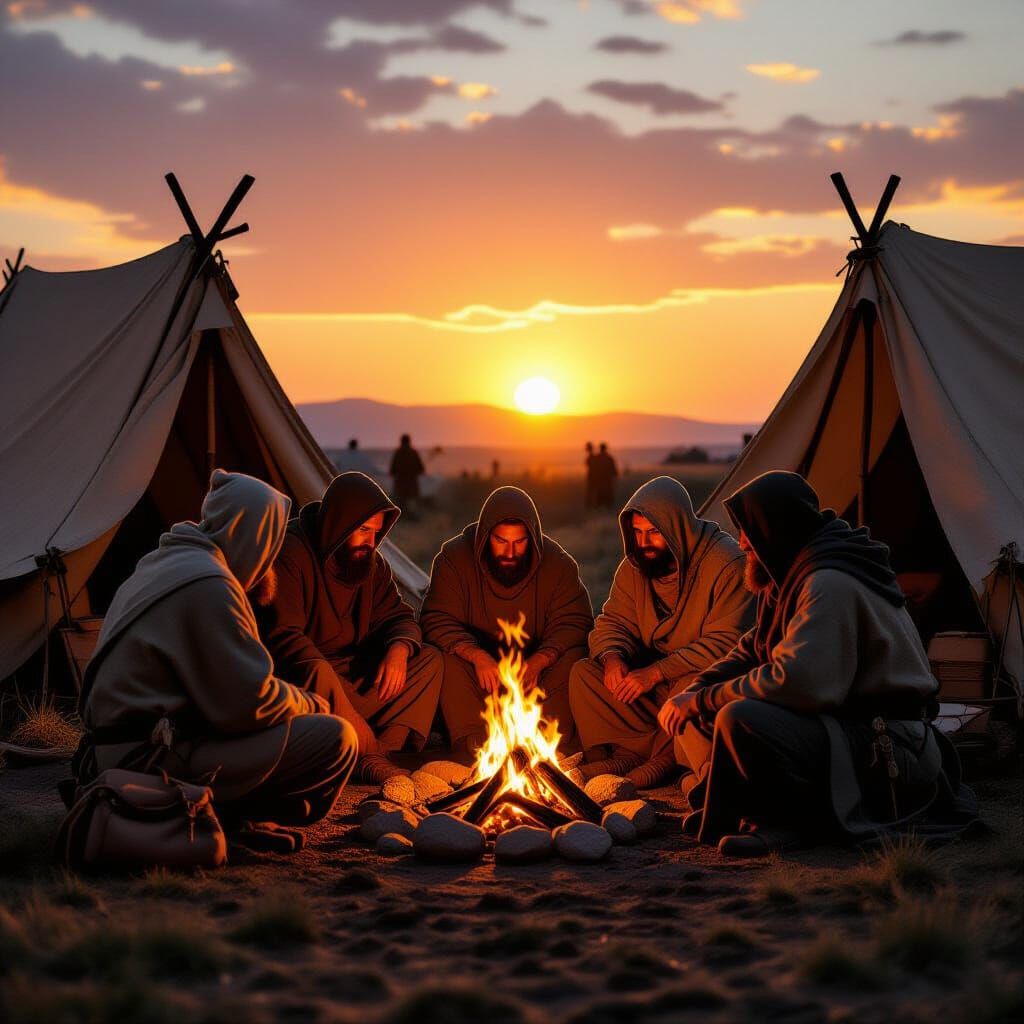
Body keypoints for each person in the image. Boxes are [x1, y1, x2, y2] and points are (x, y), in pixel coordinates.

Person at [658, 471, 978, 856]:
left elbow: (799, 681)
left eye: (748, 531)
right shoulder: (792, 574)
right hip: (851, 728)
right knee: (706, 705)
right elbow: (752, 649)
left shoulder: (828, 581)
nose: (742, 543)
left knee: (740, 717)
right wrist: (697, 691)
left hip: (888, 748)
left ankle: (783, 824)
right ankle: (741, 806)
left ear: (776, 527)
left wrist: (705, 699)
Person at [78, 470, 357, 852]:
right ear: (255, 535)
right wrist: (309, 703)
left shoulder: (164, 563)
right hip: (151, 757)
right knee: (336, 738)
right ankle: (217, 819)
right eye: (271, 542)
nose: (271, 559)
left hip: (124, 748)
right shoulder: (209, 584)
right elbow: (249, 704)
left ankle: (233, 820)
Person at [258, 472, 443, 784]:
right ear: (339, 524)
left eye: (376, 532)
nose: (370, 542)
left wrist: (398, 649)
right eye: (363, 530)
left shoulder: (369, 562)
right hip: (308, 682)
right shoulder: (291, 552)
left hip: (354, 677)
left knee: (429, 660)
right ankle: (366, 753)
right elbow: (285, 637)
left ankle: (381, 749)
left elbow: (398, 616)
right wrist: (336, 691)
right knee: (318, 670)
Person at [569, 476, 753, 788]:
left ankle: (665, 761)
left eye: (654, 533)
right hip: (652, 689)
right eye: (637, 533)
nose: (644, 542)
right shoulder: (636, 566)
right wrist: (612, 658)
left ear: (677, 528)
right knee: (584, 674)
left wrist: (656, 672)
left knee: (693, 685)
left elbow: (728, 643)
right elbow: (613, 620)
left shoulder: (726, 563)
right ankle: (628, 754)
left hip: (696, 676)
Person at [420, 486, 593, 760]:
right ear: (485, 536)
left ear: (532, 538)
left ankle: (546, 748)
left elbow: (576, 622)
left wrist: (542, 659)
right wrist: (475, 655)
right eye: (501, 541)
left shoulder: (558, 565)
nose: (510, 552)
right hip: (478, 678)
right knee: (445, 656)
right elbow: (435, 618)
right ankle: (474, 748)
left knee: (574, 656)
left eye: (520, 542)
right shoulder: (454, 559)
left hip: (537, 679)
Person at [389, 433, 425, 510]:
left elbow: (392, 470)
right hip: (412, 485)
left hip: (400, 485)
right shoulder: (413, 452)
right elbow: (421, 469)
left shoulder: (398, 453)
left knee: (401, 505)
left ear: (401, 442)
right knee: (412, 505)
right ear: (409, 442)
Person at [592, 442, 619, 509]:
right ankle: (607, 508)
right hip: (607, 481)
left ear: (600, 449)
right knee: (608, 495)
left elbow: (593, 471)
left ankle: (599, 509)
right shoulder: (609, 458)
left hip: (599, 481)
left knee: (599, 495)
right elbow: (614, 472)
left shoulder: (596, 458)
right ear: (605, 449)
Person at [584, 442, 597, 509]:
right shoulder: (592, 456)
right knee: (592, 492)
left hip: (592, 477)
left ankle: (590, 506)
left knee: (591, 492)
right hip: (593, 477)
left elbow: (587, 465)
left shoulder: (591, 457)